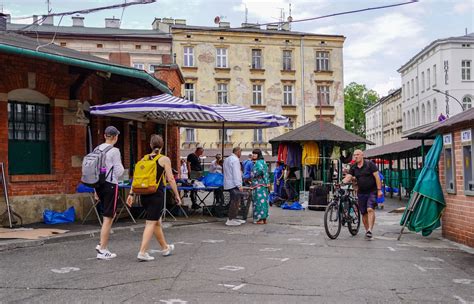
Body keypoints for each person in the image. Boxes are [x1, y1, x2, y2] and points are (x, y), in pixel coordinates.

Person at [127, 134, 181, 261]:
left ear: (150, 145)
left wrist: (131, 194)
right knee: (151, 222)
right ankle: (142, 252)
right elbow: (171, 179)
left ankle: (165, 247)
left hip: (144, 194)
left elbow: (136, 179)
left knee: (156, 222)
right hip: (156, 194)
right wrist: (177, 195)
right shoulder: (164, 159)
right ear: (162, 145)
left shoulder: (144, 159)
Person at [94, 126, 125, 260]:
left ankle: (101, 244)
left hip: (98, 184)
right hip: (110, 185)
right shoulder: (114, 151)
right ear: (114, 137)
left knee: (107, 215)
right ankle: (103, 249)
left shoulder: (97, 149)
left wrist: (95, 189)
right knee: (108, 217)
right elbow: (118, 171)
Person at [342, 149, 383, 240]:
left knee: (370, 209)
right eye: (354, 155)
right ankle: (367, 231)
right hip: (361, 192)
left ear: (362, 155)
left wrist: (379, 190)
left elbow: (377, 177)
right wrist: (343, 182)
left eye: (357, 155)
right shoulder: (353, 166)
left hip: (372, 191)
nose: (355, 156)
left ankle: (370, 230)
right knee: (363, 212)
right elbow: (349, 176)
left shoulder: (370, 164)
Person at [223, 147, 246, 226]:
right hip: (234, 183)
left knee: (233, 201)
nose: (241, 154)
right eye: (241, 153)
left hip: (228, 183)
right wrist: (239, 185)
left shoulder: (227, 159)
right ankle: (230, 219)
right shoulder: (235, 160)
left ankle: (233, 218)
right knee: (235, 202)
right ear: (238, 152)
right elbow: (236, 173)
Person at [251, 149, 270, 224]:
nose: (253, 155)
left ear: (258, 155)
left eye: (255, 154)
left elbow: (259, 171)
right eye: (253, 154)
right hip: (264, 185)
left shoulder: (258, 163)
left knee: (258, 202)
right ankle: (264, 218)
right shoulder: (263, 162)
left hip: (258, 185)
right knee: (264, 202)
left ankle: (260, 219)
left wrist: (253, 174)